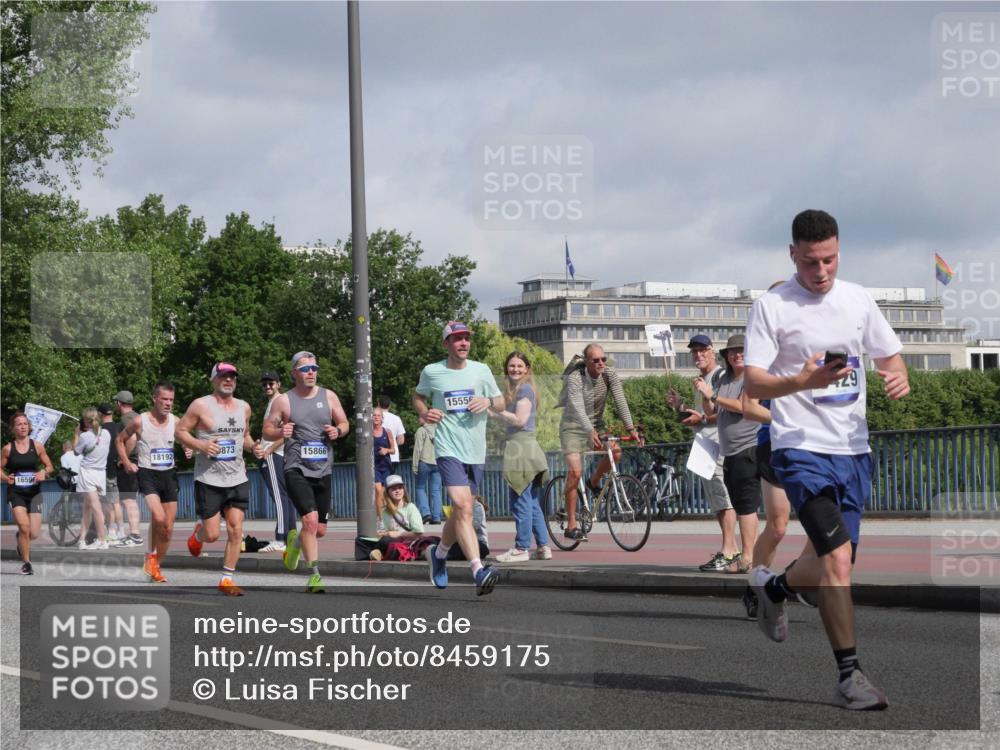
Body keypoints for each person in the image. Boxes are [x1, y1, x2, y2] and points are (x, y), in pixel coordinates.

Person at [744, 209, 909, 710]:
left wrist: (899, 376)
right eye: (811, 262)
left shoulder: (858, 299)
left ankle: (774, 588)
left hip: (853, 450)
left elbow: (889, 355)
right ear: (792, 254)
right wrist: (802, 381)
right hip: (800, 447)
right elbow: (754, 381)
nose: (821, 271)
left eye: (830, 260)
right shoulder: (772, 306)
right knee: (837, 561)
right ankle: (849, 676)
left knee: (833, 561)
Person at [413, 320, 504, 596]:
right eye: (457, 338)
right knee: (463, 505)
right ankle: (478, 570)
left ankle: (439, 553)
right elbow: (418, 397)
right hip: (447, 447)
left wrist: (488, 402)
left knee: (462, 510)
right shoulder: (432, 371)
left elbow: (501, 401)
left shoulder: (481, 370)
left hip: (475, 450)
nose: (464, 342)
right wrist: (424, 412)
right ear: (446, 343)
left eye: (467, 338)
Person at [262, 351, 349, 594]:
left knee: (318, 529)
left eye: (314, 368)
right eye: (305, 369)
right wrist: (280, 432)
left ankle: (295, 543)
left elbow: (344, 423)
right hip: (296, 467)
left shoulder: (329, 396)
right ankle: (315, 576)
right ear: (294, 373)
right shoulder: (284, 401)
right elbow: (267, 430)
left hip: (323, 468)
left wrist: (338, 431)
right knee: (309, 520)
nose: (311, 372)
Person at [177, 362, 256, 596]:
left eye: (232, 377)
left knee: (236, 529)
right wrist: (201, 445)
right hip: (209, 479)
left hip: (237, 477)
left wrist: (255, 447)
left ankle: (226, 579)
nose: (229, 380)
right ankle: (198, 535)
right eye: (223, 376)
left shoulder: (244, 407)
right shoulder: (200, 405)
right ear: (214, 379)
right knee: (212, 535)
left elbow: (245, 436)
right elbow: (180, 431)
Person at [667, 334, 738, 571]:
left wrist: (704, 419)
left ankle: (728, 551)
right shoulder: (702, 379)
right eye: (694, 351)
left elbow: (725, 411)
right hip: (706, 445)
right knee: (717, 501)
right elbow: (701, 415)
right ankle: (731, 550)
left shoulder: (719, 376)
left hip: (717, 444)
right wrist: (679, 406)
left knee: (723, 498)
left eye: (702, 350)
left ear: (712, 351)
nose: (698, 354)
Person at [559, 343, 642, 541]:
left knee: (616, 451)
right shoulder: (576, 377)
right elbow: (577, 406)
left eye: (603, 359)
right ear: (586, 361)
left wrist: (631, 428)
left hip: (597, 424)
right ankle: (571, 525)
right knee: (575, 473)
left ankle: (594, 481)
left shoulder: (609, 374)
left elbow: (620, 400)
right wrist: (589, 430)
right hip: (572, 427)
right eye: (595, 360)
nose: (601, 363)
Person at [117, 381, 192, 583]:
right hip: (147, 474)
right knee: (158, 517)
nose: (168, 403)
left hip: (169, 475)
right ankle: (150, 555)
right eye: (164, 399)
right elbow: (119, 440)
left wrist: (187, 447)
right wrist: (126, 462)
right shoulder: (140, 421)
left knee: (168, 528)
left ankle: (155, 565)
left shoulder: (176, 421)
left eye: (171, 400)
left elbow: (186, 438)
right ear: (155, 398)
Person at [699, 334, 760, 574]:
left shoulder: (752, 377)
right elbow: (711, 410)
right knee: (741, 504)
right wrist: (706, 395)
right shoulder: (724, 378)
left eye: (742, 351)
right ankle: (748, 556)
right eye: (733, 352)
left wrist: (713, 395)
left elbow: (743, 406)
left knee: (746, 505)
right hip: (730, 450)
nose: (737, 355)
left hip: (748, 447)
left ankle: (748, 557)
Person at [489, 351, 552, 562]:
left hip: (521, 449)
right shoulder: (520, 390)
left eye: (519, 366)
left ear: (527, 369)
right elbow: (509, 419)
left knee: (520, 500)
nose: (515, 369)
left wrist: (494, 408)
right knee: (531, 502)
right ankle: (543, 547)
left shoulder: (524, 389)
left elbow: (519, 420)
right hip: (528, 447)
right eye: (512, 365)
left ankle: (521, 548)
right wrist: (490, 412)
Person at [1, 412, 55, 574]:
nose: (23, 427)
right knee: (24, 527)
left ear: (29, 426)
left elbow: (50, 466)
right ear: (13, 428)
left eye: (25, 424)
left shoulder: (37, 446)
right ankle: (26, 563)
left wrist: (43, 472)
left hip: (34, 493)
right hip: (16, 492)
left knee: (34, 533)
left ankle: (21, 540)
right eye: (19, 424)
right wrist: (6, 478)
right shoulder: (8, 449)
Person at [254, 371, 296, 553]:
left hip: (273, 455)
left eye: (271, 383)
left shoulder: (279, 402)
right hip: (277, 454)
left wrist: (269, 449)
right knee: (286, 497)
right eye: (264, 384)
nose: (267, 387)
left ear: (278, 384)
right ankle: (291, 537)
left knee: (279, 497)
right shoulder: (274, 402)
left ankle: (280, 538)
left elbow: (289, 431)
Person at [74, 406, 111, 549]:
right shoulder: (106, 434)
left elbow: (76, 452)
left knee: (95, 508)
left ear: (85, 421)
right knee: (87, 508)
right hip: (101, 473)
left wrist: (77, 434)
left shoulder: (85, 436)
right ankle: (82, 540)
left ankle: (102, 539)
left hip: (88, 473)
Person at [370, 474, 425, 561]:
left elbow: (419, 533)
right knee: (362, 541)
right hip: (391, 542)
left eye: (400, 488)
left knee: (386, 542)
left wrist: (399, 534)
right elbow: (386, 532)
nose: (397, 491)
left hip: (409, 543)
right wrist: (381, 533)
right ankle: (379, 553)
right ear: (387, 492)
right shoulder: (385, 512)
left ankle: (381, 553)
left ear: (404, 490)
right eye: (393, 489)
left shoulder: (410, 507)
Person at [113, 390, 143, 547]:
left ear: (119, 403)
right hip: (142, 462)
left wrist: (124, 460)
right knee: (130, 499)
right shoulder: (139, 416)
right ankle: (133, 534)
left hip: (131, 463)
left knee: (128, 499)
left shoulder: (126, 419)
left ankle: (135, 535)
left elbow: (131, 439)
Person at [98, 403, 125, 542]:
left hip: (105, 469)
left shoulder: (100, 431)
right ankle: (121, 530)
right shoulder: (120, 427)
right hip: (119, 468)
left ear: (100, 414)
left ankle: (112, 530)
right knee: (116, 502)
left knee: (107, 503)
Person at [411, 423, 443, 524]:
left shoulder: (421, 430)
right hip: (438, 462)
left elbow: (417, 449)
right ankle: (437, 517)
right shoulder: (440, 429)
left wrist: (415, 465)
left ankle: (426, 513)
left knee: (420, 488)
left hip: (424, 462)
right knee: (436, 490)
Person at [372, 406, 397, 524]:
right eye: (374, 415)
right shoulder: (368, 432)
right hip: (374, 466)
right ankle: (380, 519)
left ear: (382, 418)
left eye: (378, 416)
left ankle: (388, 516)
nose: (376, 417)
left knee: (384, 493)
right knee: (378, 491)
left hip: (386, 466)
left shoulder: (387, 432)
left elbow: (393, 450)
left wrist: (386, 450)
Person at [377, 395, 406, 475]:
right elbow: (401, 440)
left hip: (378, 456)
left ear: (378, 404)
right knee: (390, 480)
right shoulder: (396, 418)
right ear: (389, 405)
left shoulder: (374, 418)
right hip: (393, 456)